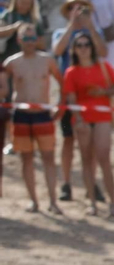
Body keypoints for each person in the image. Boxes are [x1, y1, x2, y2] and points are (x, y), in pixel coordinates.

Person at [59, 33, 114, 217]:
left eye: (87, 44)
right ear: (75, 49)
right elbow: (71, 98)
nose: (84, 48)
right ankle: (92, 202)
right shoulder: (71, 72)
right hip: (83, 119)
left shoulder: (103, 66)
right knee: (86, 159)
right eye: (79, 45)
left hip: (102, 116)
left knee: (104, 158)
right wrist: (78, 120)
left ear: (92, 47)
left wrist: (103, 91)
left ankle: (113, 202)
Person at [3, 26, 63, 213]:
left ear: (37, 39)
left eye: (32, 38)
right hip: (21, 116)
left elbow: (62, 84)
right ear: (19, 40)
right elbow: (3, 88)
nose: (29, 42)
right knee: (26, 159)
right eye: (25, 39)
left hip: (42, 114)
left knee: (48, 158)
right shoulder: (12, 63)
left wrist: (59, 107)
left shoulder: (47, 61)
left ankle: (53, 201)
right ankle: (33, 200)